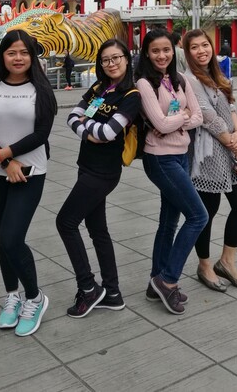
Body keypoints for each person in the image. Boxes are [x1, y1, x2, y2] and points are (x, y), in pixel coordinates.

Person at [0, 30, 57, 336]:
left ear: (32, 56)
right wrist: (5, 163)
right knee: (2, 237)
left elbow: (41, 134)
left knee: (11, 238)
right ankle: (12, 296)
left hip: (30, 173)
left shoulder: (42, 90)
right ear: (3, 56)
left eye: (23, 52)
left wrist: (8, 154)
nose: (18, 58)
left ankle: (34, 297)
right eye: (12, 53)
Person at [56, 38, 141, 318]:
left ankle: (89, 288)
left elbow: (108, 134)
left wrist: (88, 127)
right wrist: (90, 129)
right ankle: (113, 292)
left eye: (116, 58)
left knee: (66, 222)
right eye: (105, 59)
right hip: (86, 165)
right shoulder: (98, 88)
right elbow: (71, 116)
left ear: (126, 59)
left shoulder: (131, 95)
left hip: (103, 172)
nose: (111, 63)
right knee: (97, 230)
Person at [135, 29, 207, 315]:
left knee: (169, 222)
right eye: (155, 51)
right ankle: (168, 280)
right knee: (198, 215)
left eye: (166, 50)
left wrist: (175, 120)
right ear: (147, 54)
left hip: (181, 156)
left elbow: (197, 116)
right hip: (160, 159)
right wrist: (182, 118)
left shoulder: (180, 79)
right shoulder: (143, 83)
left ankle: (156, 282)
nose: (162, 55)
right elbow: (160, 125)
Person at [183, 29, 237, 292]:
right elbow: (207, 115)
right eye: (194, 47)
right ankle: (204, 265)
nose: (201, 50)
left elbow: (231, 108)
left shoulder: (220, 75)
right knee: (207, 212)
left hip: (229, 149)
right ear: (187, 52)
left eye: (205, 45)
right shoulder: (189, 79)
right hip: (206, 155)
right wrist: (230, 139)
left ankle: (227, 261)